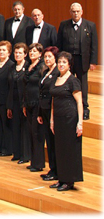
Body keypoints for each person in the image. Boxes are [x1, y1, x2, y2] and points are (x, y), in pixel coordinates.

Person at [57, 2, 98, 120]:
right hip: (68, 61)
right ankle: (69, 106)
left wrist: (93, 61)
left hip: (82, 60)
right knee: (67, 82)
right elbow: (59, 43)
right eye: (73, 11)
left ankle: (84, 107)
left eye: (78, 11)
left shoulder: (90, 25)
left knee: (82, 84)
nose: (75, 13)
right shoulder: (64, 25)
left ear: (82, 12)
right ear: (70, 12)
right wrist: (60, 60)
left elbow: (94, 45)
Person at [49, 51, 83, 191]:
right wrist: (51, 120)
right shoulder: (56, 78)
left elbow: (79, 103)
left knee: (69, 150)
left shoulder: (73, 80)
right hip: (58, 118)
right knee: (60, 149)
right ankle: (61, 178)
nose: (61, 64)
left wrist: (80, 122)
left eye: (64, 62)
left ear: (69, 65)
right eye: (59, 62)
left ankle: (69, 181)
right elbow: (53, 101)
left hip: (70, 119)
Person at [37, 46, 59, 181]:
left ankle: (56, 170)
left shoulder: (57, 73)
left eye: (50, 56)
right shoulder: (45, 71)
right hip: (44, 110)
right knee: (49, 142)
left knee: (53, 142)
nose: (47, 59)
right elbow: (41, 94)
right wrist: (40, 112)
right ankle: (52, 169)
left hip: (53, 111)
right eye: (45, 57)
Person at [6, 43, 31, 164]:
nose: (17, 55)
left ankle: (25, 155)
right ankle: (16, 153)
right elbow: (9, 87)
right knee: (15, 127)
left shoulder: (28, 67)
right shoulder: (12, 67)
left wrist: (25, 104)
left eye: (20, 52)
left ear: (25, 54)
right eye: (16, 53)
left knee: (24, 129)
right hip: (13, 101)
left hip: (24, 102)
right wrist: (9, 106)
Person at [23, 43, 45, 172]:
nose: (32, 53)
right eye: (30, 51)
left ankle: (39, 163)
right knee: (31, 132)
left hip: (37, 103)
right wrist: (24, 104)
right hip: (28, 102)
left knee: (37, 134)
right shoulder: (28, 66)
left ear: (40, 54)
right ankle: (33, 161)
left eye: (35, 51)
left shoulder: (41, 67)